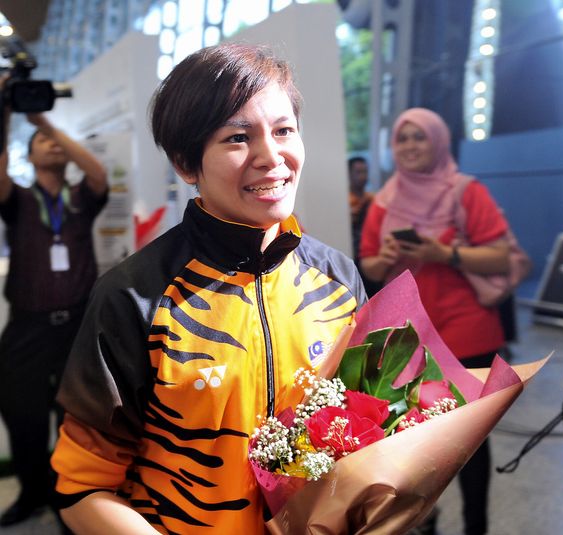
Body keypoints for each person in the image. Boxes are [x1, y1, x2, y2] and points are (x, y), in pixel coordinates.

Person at [49, 44, 366, 533]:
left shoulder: (338, 278)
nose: (271, 156)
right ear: (185, 164)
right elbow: (82, 486)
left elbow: (368, 426)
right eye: (238, 137)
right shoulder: (135, 296)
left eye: (284, 130)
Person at [359, 107, 511, 535]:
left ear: (439, 141)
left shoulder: (466, 192)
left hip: (467, 329)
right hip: (406, 335)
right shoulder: (383, 201)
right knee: (411, 437)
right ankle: (424, 523)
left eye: (419, 138)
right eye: (402, 139)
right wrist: (384, 259)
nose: (409, 147)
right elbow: (369, 264)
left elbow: (499, 254)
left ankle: (476, 526)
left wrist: (443, 254)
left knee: (469, 441)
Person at [0, 106, 108, 526]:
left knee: (75, 420)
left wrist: (44, 123)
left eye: (55, 140)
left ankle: (72, 502)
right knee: (22, 414)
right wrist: (7, 113)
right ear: (27, 157)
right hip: (27, 326)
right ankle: (31, 493)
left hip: (77, 325)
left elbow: (97, 172)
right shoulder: (20, 201)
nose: (51, 143)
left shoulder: (81, 198)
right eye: (41, 141)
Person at [348, 155, 381, 297]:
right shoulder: (346, 203)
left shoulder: (373, 200)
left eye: (365, 172)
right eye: (358, 172)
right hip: (353, 257)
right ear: (348, 174)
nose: (363, 176)